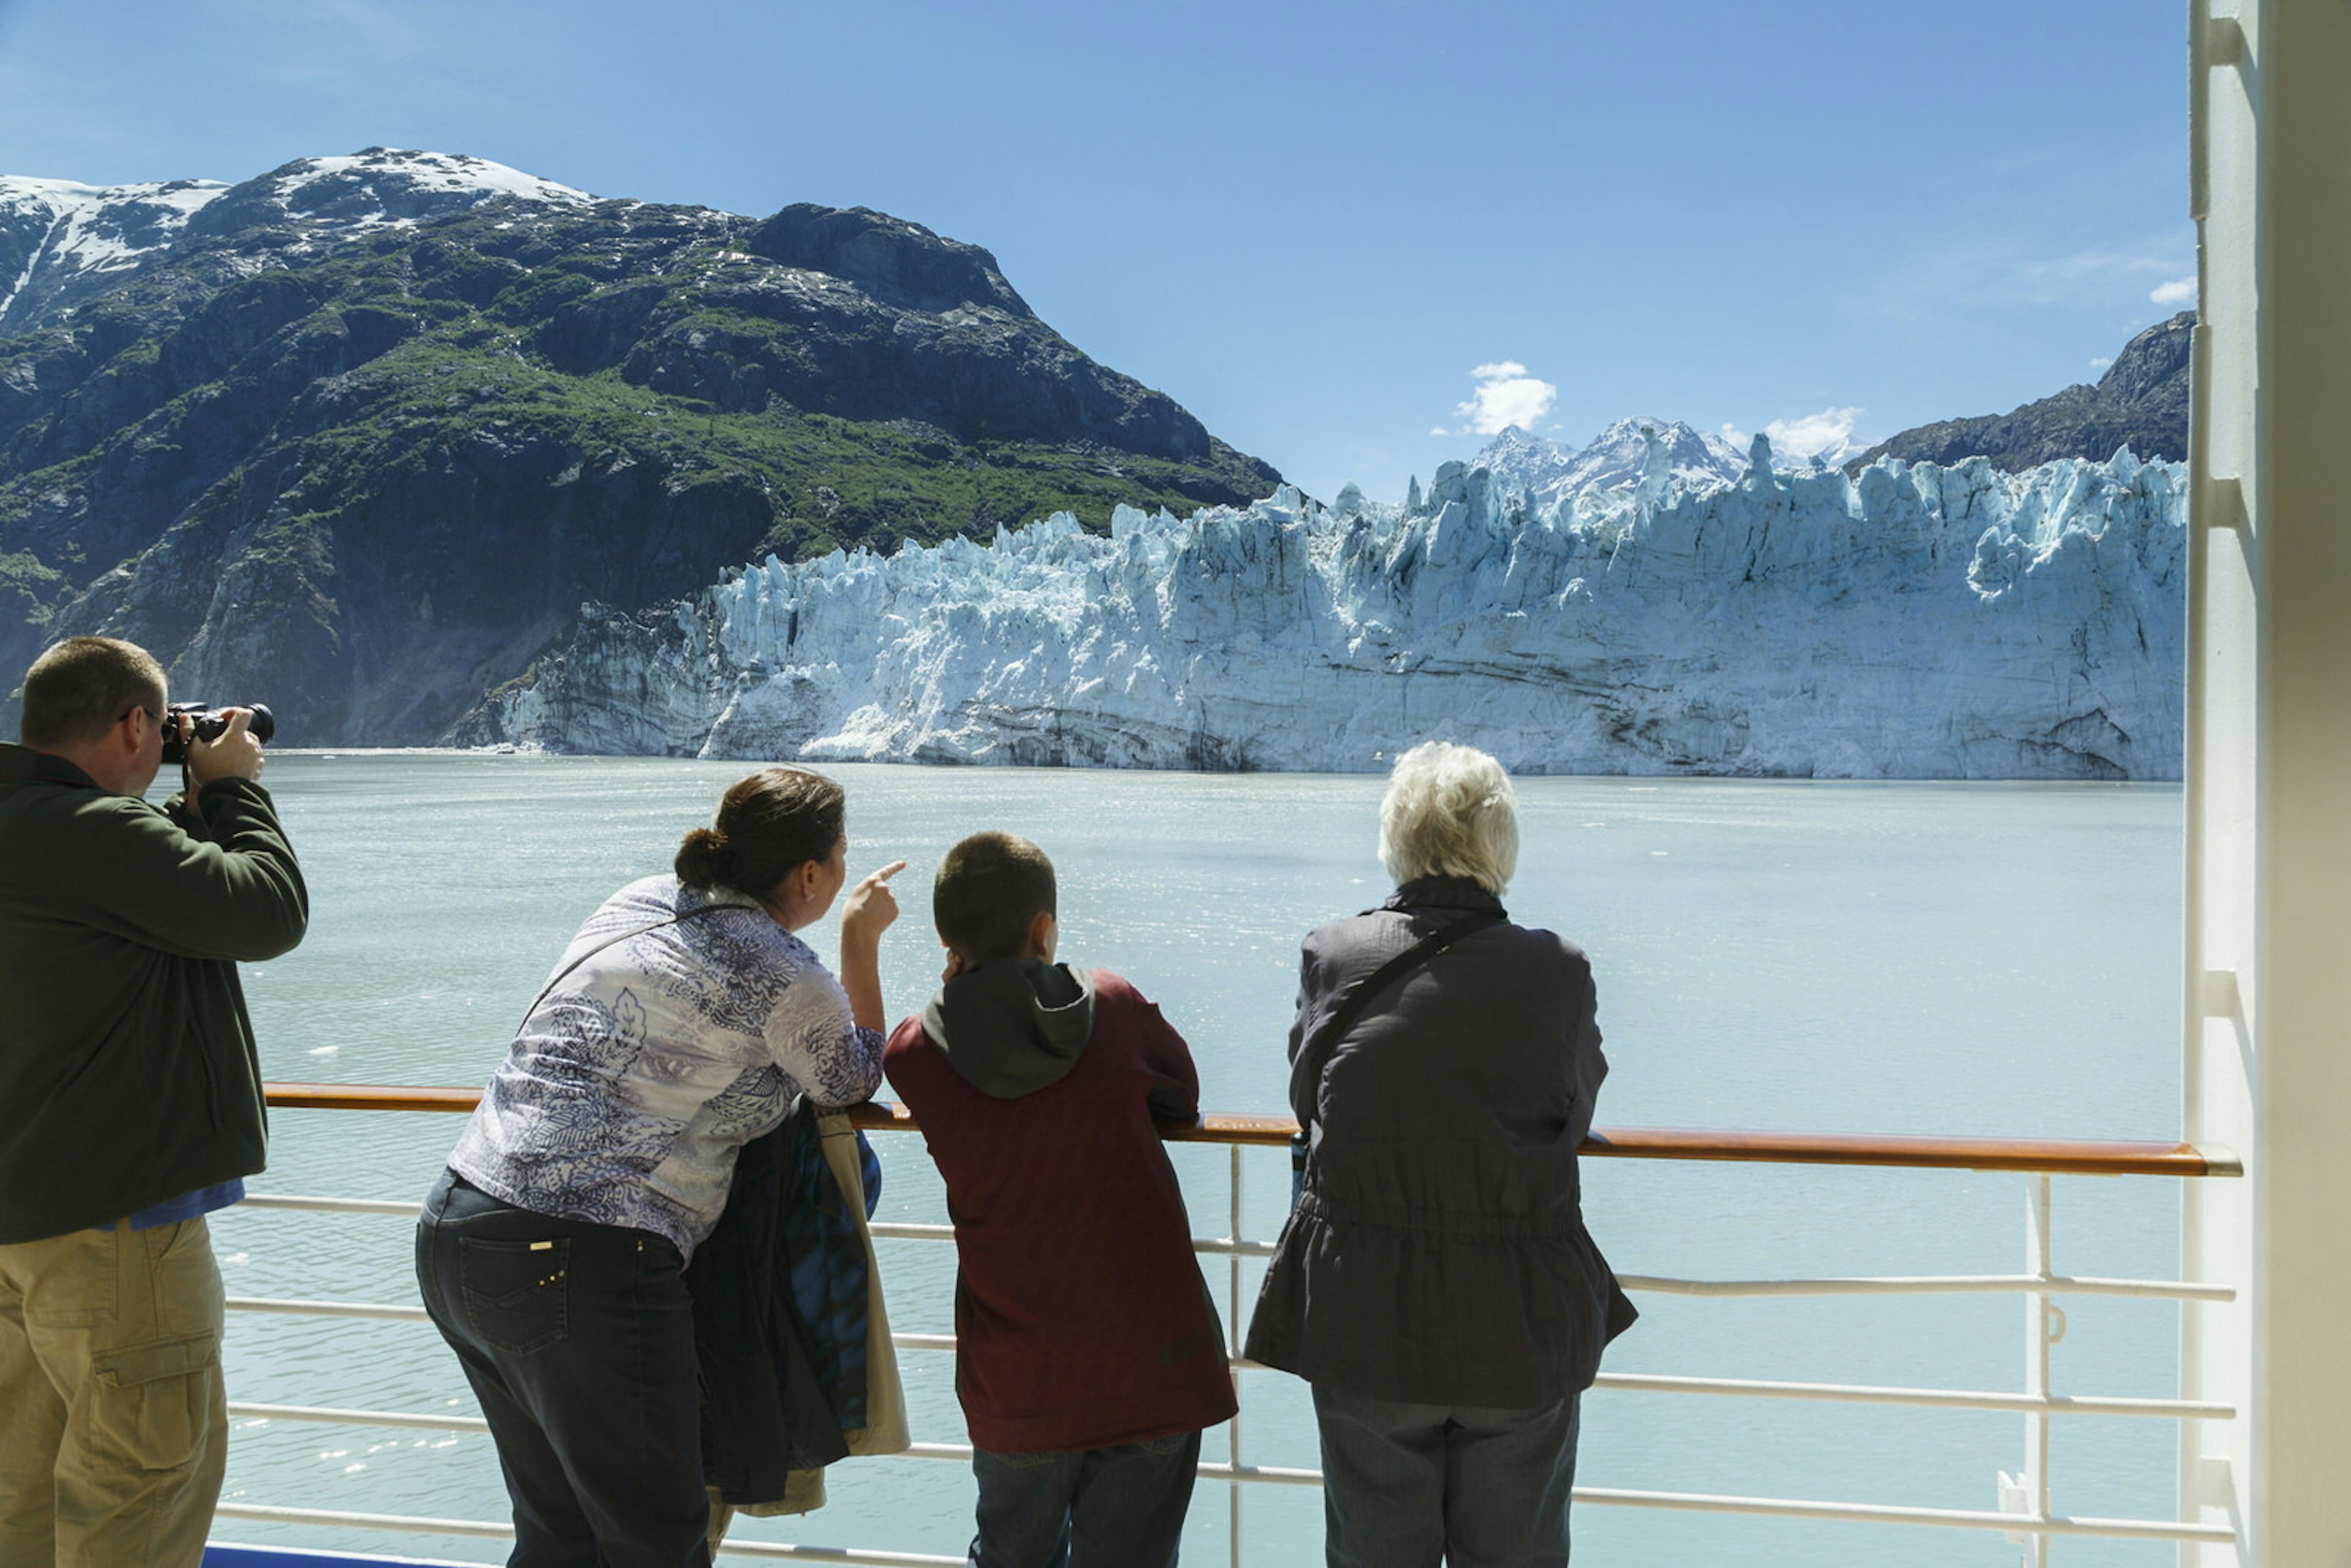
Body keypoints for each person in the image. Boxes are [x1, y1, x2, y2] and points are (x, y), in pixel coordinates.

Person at [413, 766, 902, 1567]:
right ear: (812, 874)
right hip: (587, 1255)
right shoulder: (786, 972)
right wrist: (859, 938)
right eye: (841, 858)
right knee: (659, 1546)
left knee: (559, 1538)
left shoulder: (638, 900)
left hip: (459, 1221)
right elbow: (852, 1077)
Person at [1245, 741, 1636, 1568]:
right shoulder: (1555, 970)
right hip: (1518, 1318)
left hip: (1367, 1310)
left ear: (1397, 838)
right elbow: (1573, 1111)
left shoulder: (1334, 954)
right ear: (1500, 845)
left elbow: (1308, 1100)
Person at [0, 636, 307, 1567]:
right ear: (139, 725)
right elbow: (265, 914)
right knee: (139, 1493)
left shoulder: (31, 826)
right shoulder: (94, 834)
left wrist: (189, 803)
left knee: (26, 1500)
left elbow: (156, 905)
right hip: (119, 1236)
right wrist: (236, 788)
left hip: (26, 1229)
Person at [883, 831, 1235, 1568]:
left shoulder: (916, 1052)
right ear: (1044, 929)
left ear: (948, 941)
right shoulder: (1111, 1002)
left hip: (1020, 1373)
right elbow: (1183, 1094)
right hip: (1153, 1362)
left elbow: (911, 1043)